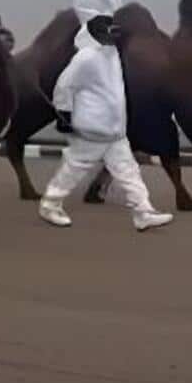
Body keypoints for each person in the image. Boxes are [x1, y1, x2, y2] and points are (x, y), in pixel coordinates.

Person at [39, 15, 173, 232]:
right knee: (75, 167)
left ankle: (143, 212)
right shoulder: (85, 57)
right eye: (108, 33)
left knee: (128, 171)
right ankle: (50, 204)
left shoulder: (112, 54)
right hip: (92, 127)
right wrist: (64, 114)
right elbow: (64, 85)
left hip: (114, 128)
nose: (113, 37)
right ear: (95, 34)